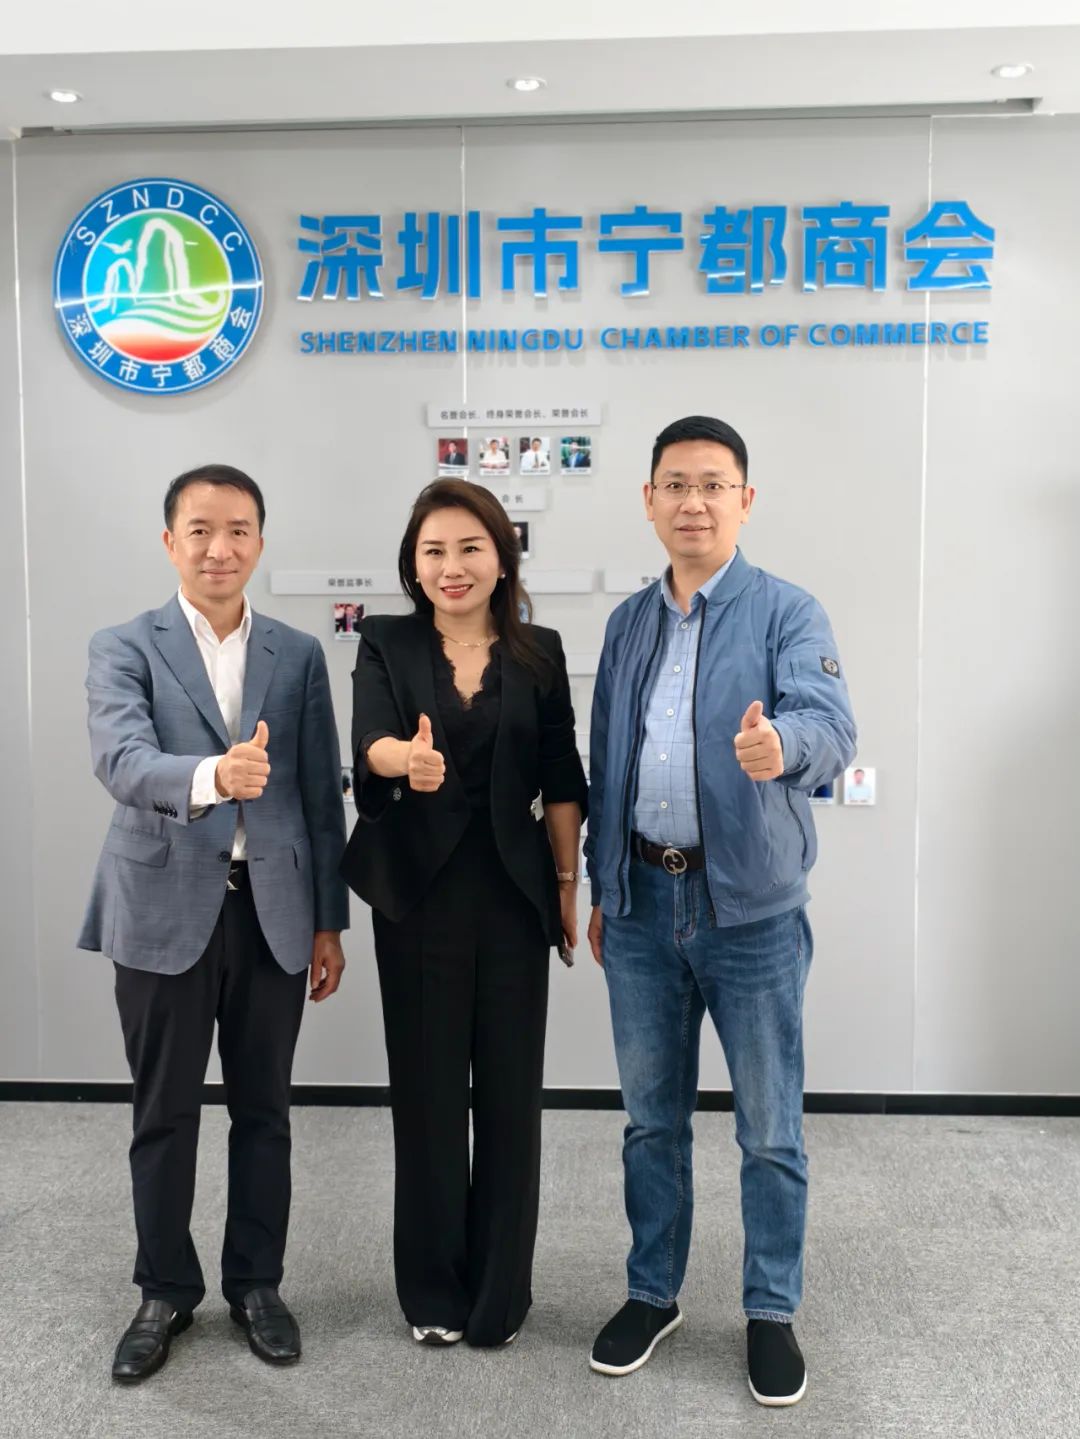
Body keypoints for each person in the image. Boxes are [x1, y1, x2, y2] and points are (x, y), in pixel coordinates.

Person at [584, 417, 856, 1406]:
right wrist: (603, 885)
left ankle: (771, 1308)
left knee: (769, 1128)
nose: (692, 501)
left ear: (745, 499)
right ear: (649, 500)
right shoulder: (627, 623)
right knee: (650, 1122)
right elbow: (606, 762)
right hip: (642, 907)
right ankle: (652, 1292)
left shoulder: (787, 611)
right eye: (675, 484)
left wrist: (783, 746)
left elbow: (831, 726)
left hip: (749, 913)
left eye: (712, 484)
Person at [79, 464, 349, 1384]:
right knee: (164, 1111)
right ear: (170, 542)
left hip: (274, 912)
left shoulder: (297, 654)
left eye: (238, 530)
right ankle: (163, 1289)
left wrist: (329, 922)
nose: (219, 547)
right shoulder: (124, 645)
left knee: (265, 1110)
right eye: (199, 530)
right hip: (161, 908)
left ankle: (256, 1283)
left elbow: (320, 798)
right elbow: (122, 759)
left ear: (260, 542)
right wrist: (211, 777)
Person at [340, 478, 586, 1349]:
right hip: (418, 899)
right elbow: (370, 739)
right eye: (434, 550)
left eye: (470, 547)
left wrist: (567, 885)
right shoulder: (387, 639)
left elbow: (562, 774)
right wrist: (401, 759)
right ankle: (434, 1292)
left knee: (512, 1100)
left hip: (514, 896)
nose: (453, 565)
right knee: (429, 1096)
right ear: (414, 564)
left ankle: (499, 1297)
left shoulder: (540, 651)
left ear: (501, 558)